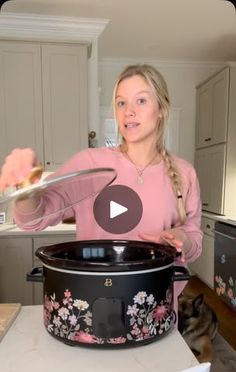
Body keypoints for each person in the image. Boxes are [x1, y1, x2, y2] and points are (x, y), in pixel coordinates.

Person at [0, 64, 203, 313]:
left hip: (155, 306)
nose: (129, 111)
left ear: (161, 109)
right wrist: (26, 188)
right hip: (92, 303)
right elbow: (34, 220)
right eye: (121, 103)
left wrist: (183, 240)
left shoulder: (184, 173)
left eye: (140, 101)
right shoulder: (90, 163)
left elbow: (193, 239)